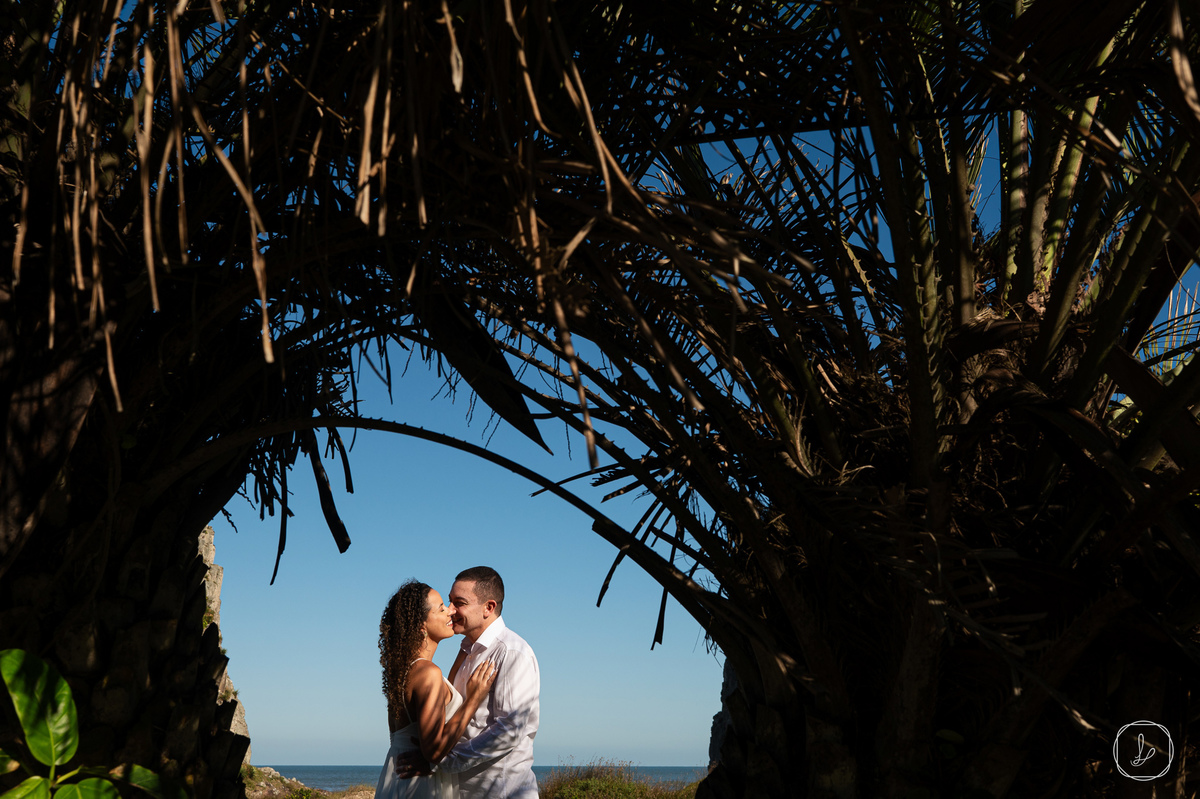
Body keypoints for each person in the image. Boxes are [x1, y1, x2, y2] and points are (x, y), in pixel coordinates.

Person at [398, 566, 541, 798]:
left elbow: (509, 731)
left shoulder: (512, 652)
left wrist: (441, 762)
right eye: (449, 601)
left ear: (488, 607)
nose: (451, 610)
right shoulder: (465, 652)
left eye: (459, 603)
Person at [375, 579, 498, 799]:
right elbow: (433, 752)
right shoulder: (427, 673)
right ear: (421, 626)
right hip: (420, 784)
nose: (451, 611)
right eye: (441, 608)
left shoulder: (407, 670)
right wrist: (473, 700)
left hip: (398, 778)